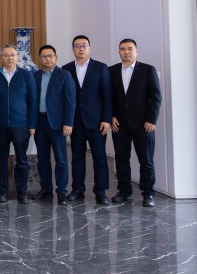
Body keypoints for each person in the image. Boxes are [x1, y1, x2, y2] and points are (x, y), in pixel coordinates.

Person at [109, 39, 162, 207]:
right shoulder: (111, 71)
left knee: (146, 161)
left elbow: (156, 97)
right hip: (119, 124)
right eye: (122, 49)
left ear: (136, 51)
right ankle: (124, 191)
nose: (126, 52)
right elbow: (107, 97)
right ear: (119, 52)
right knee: (121, 160)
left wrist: (151, 119)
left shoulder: (147, 70)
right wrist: (111, 116)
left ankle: (148, 194)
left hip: (143, 124)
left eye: (130, 49)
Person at [62, 35, 113, 205]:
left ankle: (101, 191)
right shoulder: (66, 69)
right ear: (73, 49)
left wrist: (107, 119)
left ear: (89, 48)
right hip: (75, 121)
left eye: (84, 45)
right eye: (77, 46)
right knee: (77, 156)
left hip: (97, 121)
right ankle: (77, 189)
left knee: (99, 157)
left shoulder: (101, 68)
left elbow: (107, 95)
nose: (81, 48)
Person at [0, 44, 37, 204]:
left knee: (22, 160)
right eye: (6, 55)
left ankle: (22, 192)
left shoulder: (26, 75)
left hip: (21, 125)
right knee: (0, 160)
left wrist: (32, 125)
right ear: (1, 57)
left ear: (17, 57)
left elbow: (33, 102)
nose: (10, 58)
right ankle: (2, 192)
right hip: (0, 125)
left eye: (13, 55)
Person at [31, 45, 76, 205]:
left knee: (61, 159)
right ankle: (46, 188)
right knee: (42, 158)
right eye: (44, 56)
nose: (47, 59)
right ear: (40, 58)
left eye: (50, 56)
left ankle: (62, 191)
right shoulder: (35, 76)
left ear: (56, 58)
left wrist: (68, 123)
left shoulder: (64, 75)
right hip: (40, 122)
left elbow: (71, 101)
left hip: (58, 124)